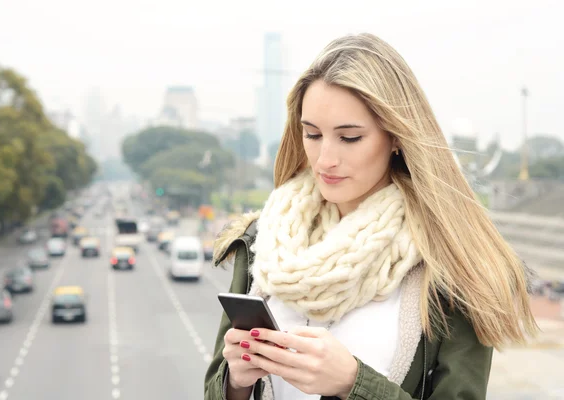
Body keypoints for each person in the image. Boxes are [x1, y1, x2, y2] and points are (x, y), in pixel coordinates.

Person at [204, 33, 537, 400]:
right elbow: (214, 389)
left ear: (396, 136)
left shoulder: (451, 266)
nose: (324, 159)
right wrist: (236, 381)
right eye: (312, 134)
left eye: (349, 138)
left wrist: (354, 383)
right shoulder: (261, 241)